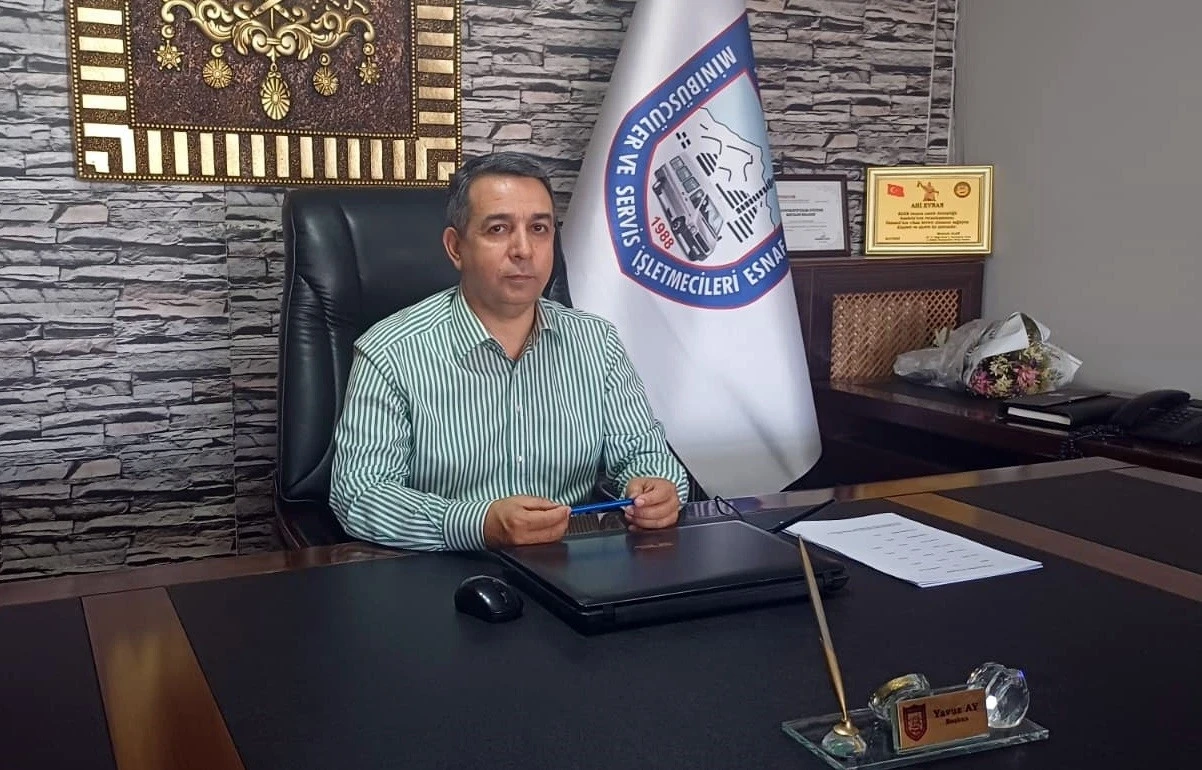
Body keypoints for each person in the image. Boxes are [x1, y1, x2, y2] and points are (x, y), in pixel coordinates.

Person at [329, 152, 688, 551]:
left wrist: (657, 489)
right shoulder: (390, 351)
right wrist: (479, 525)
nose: (523, 249)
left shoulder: (596, 342)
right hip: (444, 566)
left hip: (573, 565)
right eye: (498, 229)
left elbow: (645, 454)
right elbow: (360, 494)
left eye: (539, 228)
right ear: (455, 248)